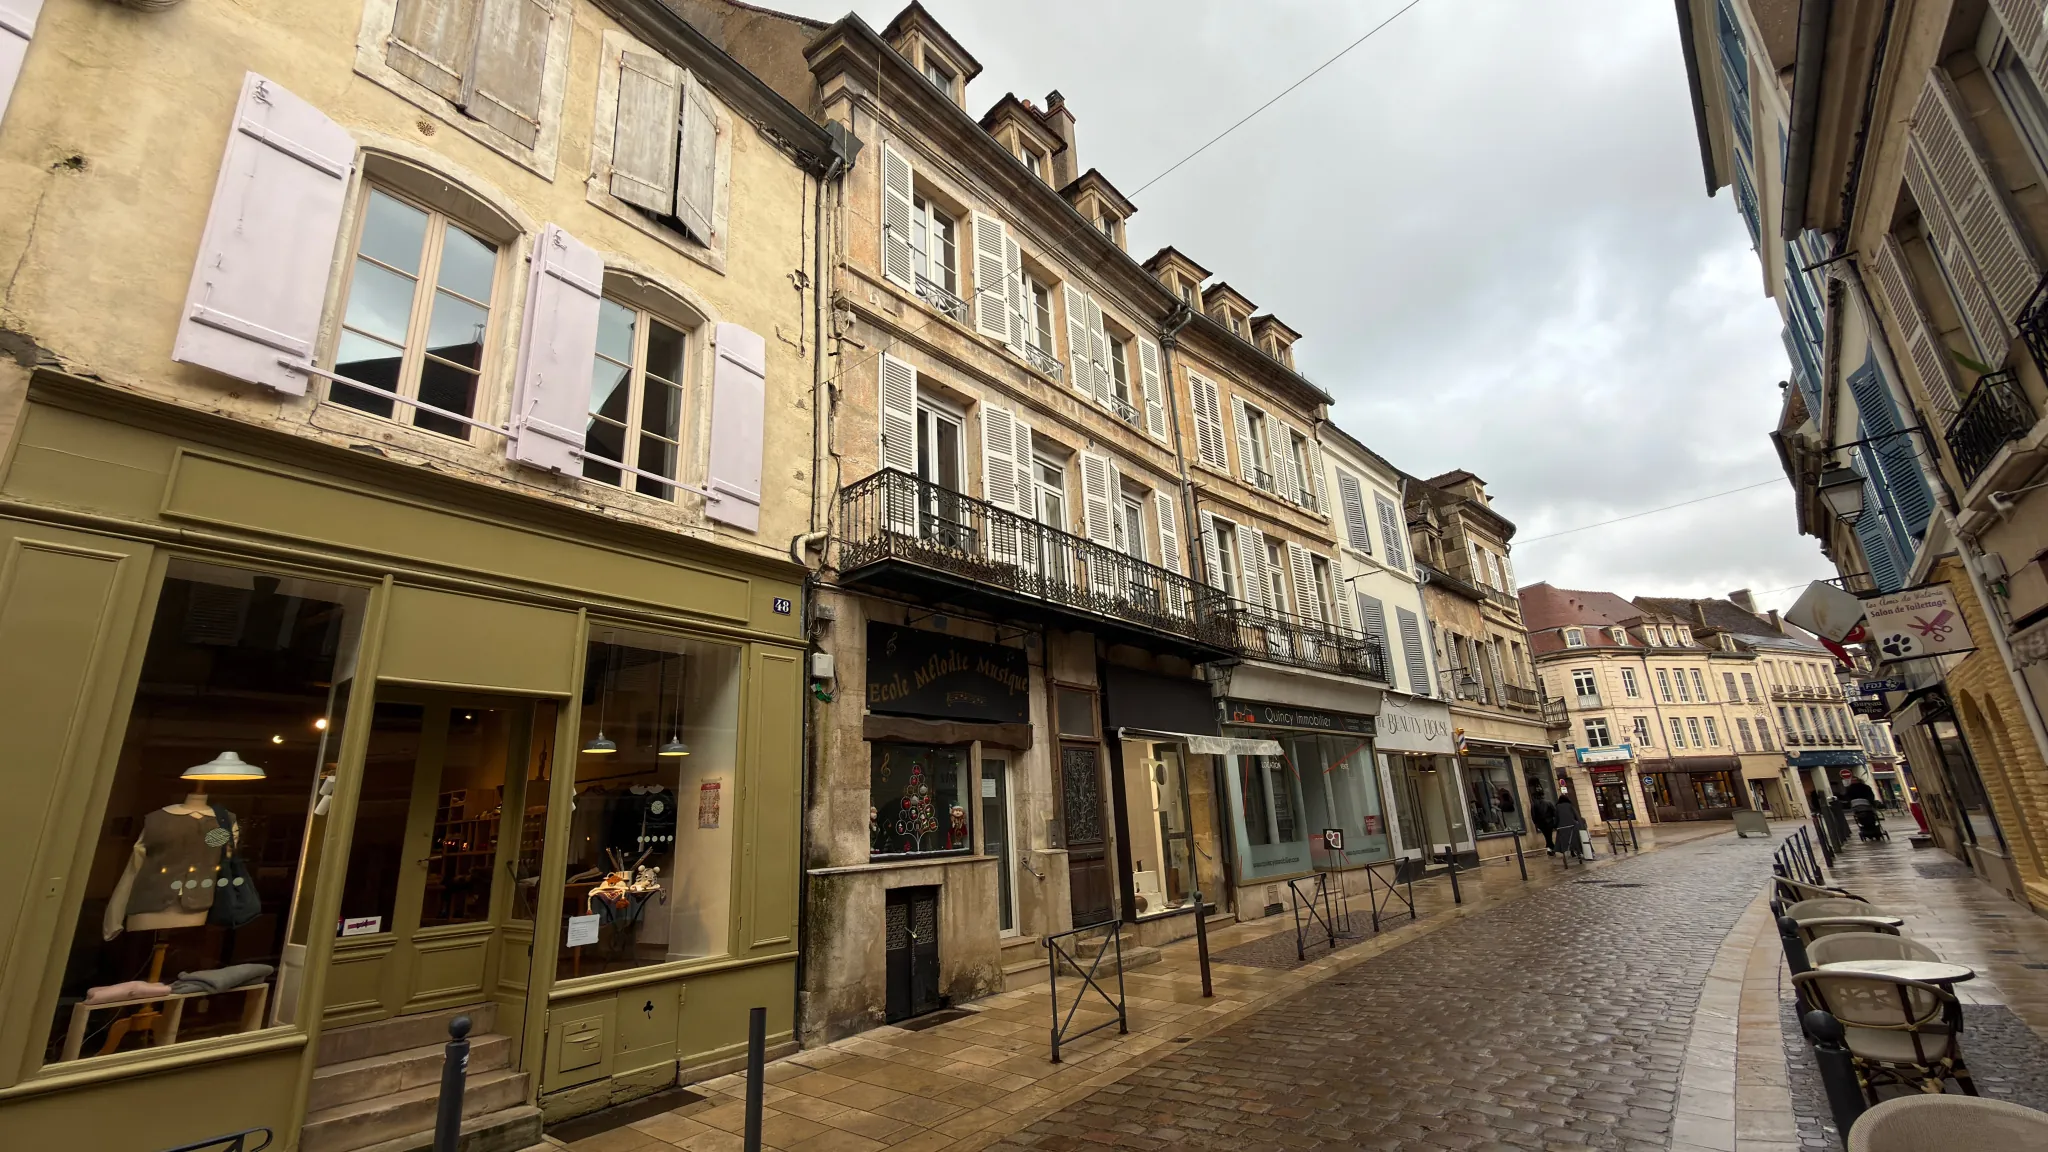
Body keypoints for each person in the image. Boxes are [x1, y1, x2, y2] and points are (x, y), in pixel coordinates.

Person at [1554, 791, 1584, 859]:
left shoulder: (1557, 807)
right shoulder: (1570, 805)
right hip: (1572, 825)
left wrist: (1555, 825)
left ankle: (1568, 851)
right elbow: (1576, 815)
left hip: (1562, 827)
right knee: (1574, 839)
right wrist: (1580, 823)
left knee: (1565, 840)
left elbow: (1556, 818)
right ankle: (1577, 852)